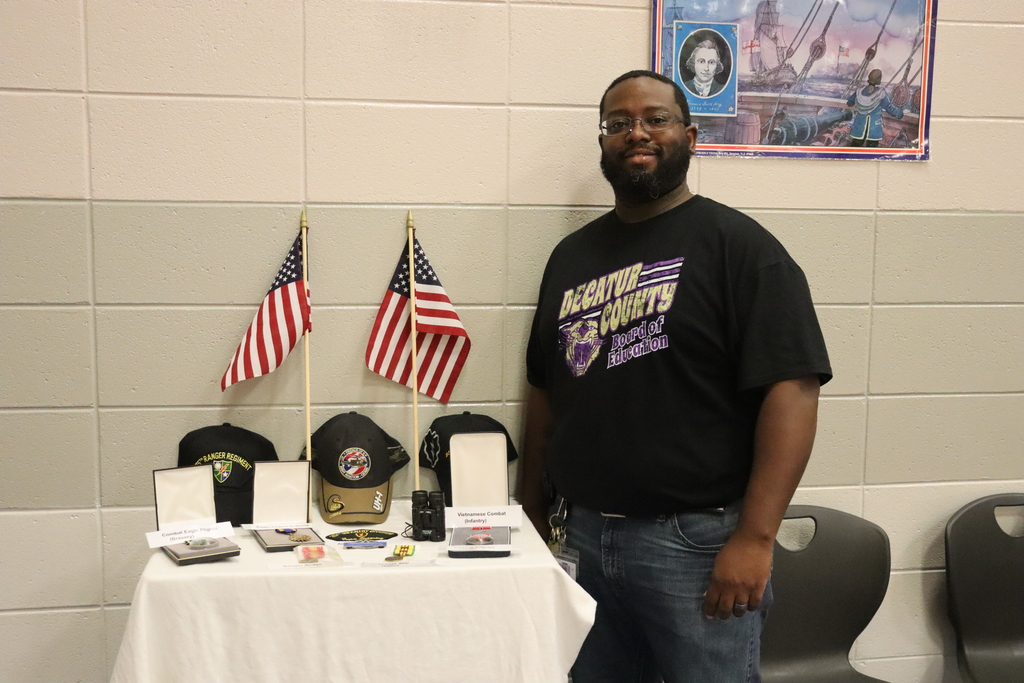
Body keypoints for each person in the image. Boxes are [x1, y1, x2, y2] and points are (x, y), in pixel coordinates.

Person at [519, 70, 831, 683]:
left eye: (655, 119)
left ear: (688, 135)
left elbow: (792, 390)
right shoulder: (571, 256)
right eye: (618, 123)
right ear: (603, 142)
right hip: (579, 534)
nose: (636, 132)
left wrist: (756, 538)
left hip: (695, 545)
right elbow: (545, 389)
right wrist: (531, 507)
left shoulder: (740, 248)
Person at [846, 68, 903, 147]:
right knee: (872, 150)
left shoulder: (859, 90)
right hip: (873, 130)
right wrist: (900, 112)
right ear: (879, 80)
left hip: (859, 127)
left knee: (855, 148)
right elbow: (890, 109)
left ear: (869, 78)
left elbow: (849, 103)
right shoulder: (880, 93)